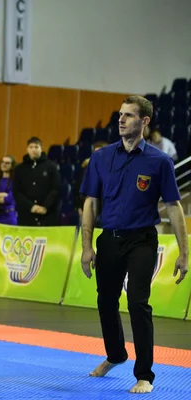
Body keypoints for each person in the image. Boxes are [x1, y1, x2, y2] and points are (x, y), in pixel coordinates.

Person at [80, 95, 189, 394]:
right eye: (120, 114)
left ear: (144, 121)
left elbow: (174, 207)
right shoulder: (101, 158)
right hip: (110, 239)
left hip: (142, 240)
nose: (121, 119)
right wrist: (86, 247)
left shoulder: (159, 161)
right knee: (105, 301)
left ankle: (144, 375)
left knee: (138, 303)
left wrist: (184, 253)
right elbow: (90, 202)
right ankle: (115, 355)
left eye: (129, 115)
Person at [12, 137, 60, 226]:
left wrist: (45, 207)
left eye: (36, 147)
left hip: (47, 217)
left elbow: (55, 189)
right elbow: (17, 192)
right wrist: (31, 207)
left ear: (41, 149)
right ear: (27, 149)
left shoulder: (52, 167)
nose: (33, 149)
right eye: (31, 147)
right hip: (26, 216)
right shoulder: (19, 169)